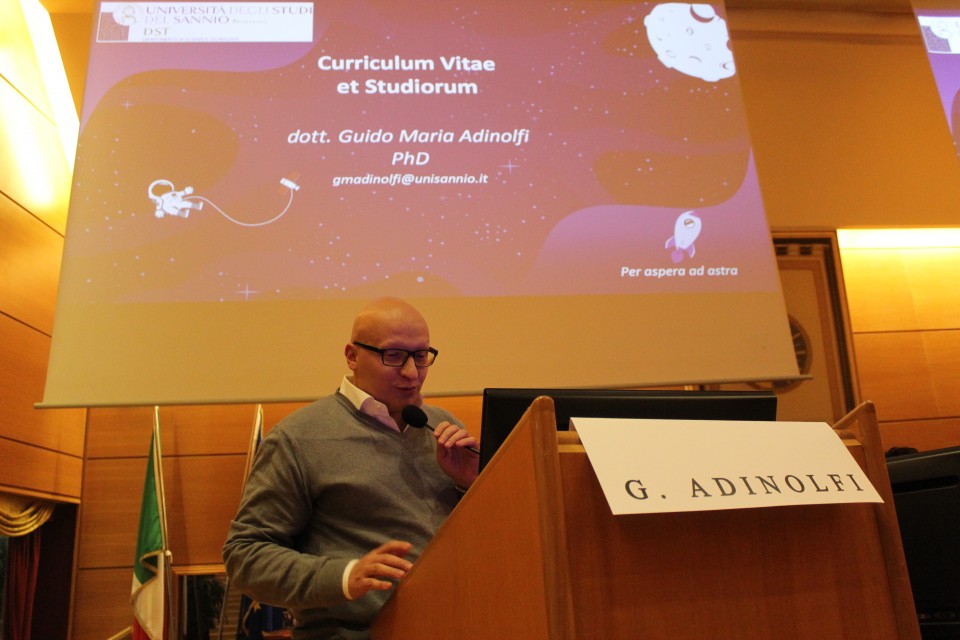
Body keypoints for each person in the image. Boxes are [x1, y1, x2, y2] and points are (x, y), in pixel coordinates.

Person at [222, 297, 479, 639]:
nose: (411, 373)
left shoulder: (443, 427)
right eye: (393, 355)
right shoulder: (299, 438)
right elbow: (245, 556)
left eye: (420, 356)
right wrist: (343, 577)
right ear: (352, 356)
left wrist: (470, 486)